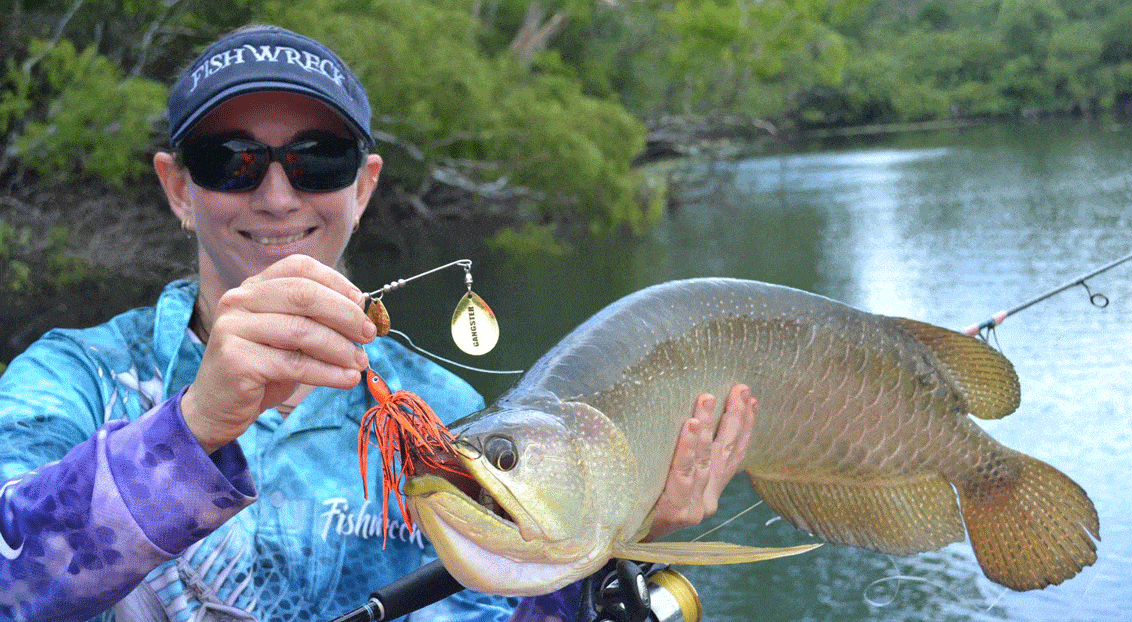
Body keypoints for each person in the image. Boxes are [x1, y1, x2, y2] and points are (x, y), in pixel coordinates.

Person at [0, 25, 757, 622]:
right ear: (177, 187)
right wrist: (195, 427)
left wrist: (616, 542)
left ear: (362, 188)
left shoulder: (450, 418)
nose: (275, 196)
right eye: (229, 160)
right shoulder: (69, 380)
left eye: (318, 160)